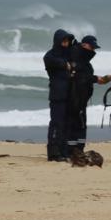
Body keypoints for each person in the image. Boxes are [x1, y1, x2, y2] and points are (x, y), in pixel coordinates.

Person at [66, 35, 111, 154]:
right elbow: (78, 77)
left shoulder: (84, 60)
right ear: (84, 45)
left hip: (82, 97)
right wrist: (95, 79)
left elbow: (85, 76)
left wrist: (101, 79)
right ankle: (72, 151)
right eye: (91, 47)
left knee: (80, 124)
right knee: (75, 124)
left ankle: (78, 150)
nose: (93, 51)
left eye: (94, 48)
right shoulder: (76, 56)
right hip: (75, 96)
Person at [42, 29, 74, 161]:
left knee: (66, 124)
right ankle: (53, 153)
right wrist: (65, 64)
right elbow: (49, 60)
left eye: (68, 41)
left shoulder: (69, 54)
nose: (66, 44)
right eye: (64, 41)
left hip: (69, 94)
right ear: (58, 41)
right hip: (57, 94)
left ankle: (63, 151)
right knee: (56, 123)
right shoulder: (50, 55)